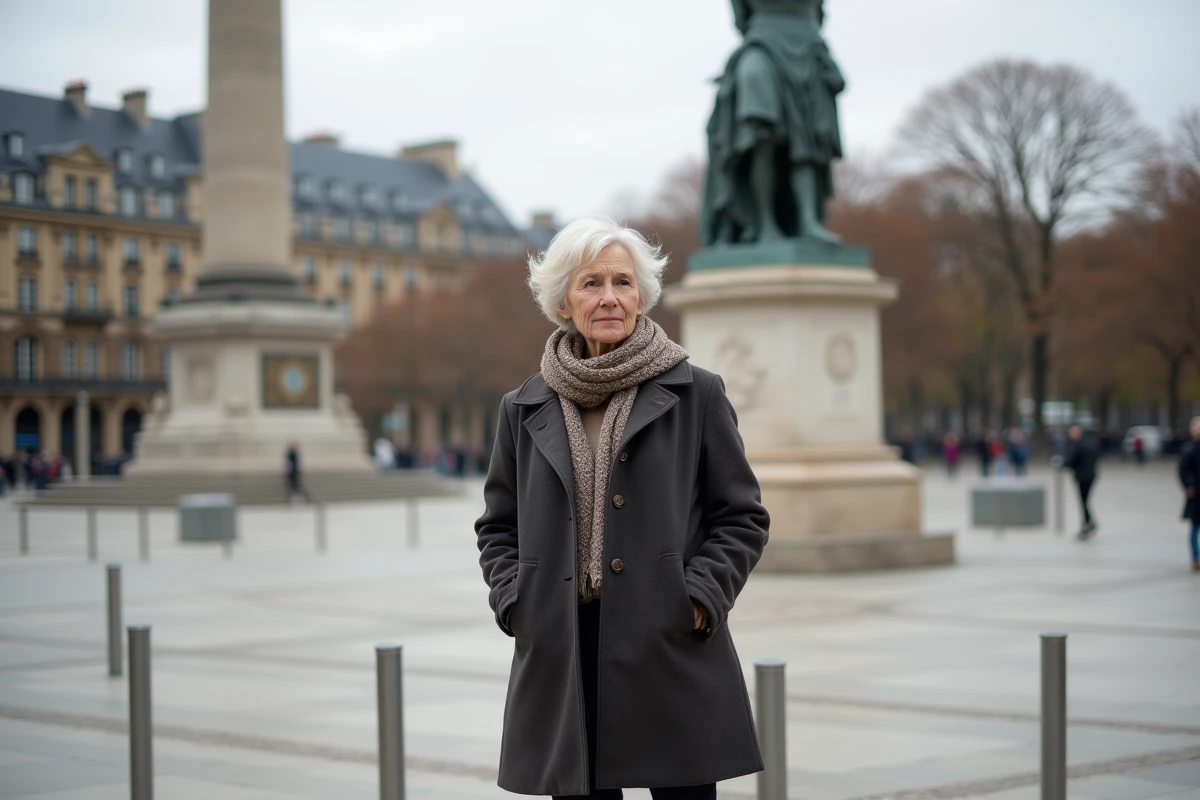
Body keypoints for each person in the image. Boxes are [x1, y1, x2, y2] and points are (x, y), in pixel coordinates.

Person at [475, 217, 770, 798]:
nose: (610, 297)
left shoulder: (697, 393)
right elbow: (497, 527)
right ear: (563, 300)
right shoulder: (522, 406)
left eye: (623, 282)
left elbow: (741, 515)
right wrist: (517, 602)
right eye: (591, 283)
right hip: (564, 649)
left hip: (668, 640)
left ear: (642, 295)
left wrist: (700, 598)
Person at [1064, 425, 1099, 539]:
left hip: (1082, 477)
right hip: (1091, 476)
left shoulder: (1078, 445)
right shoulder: (1090, 443)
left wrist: (1062, 464)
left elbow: (1071, 461)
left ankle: (1087, 524)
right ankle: (1089, 523)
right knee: (1085, 501)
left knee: (1083, 501)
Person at [1178, 416, 1200, 571]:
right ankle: (1196, 558)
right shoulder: (1189, 449)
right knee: (1195, 527)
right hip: (1196, 494)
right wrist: (1188, 486)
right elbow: (1182, 470)